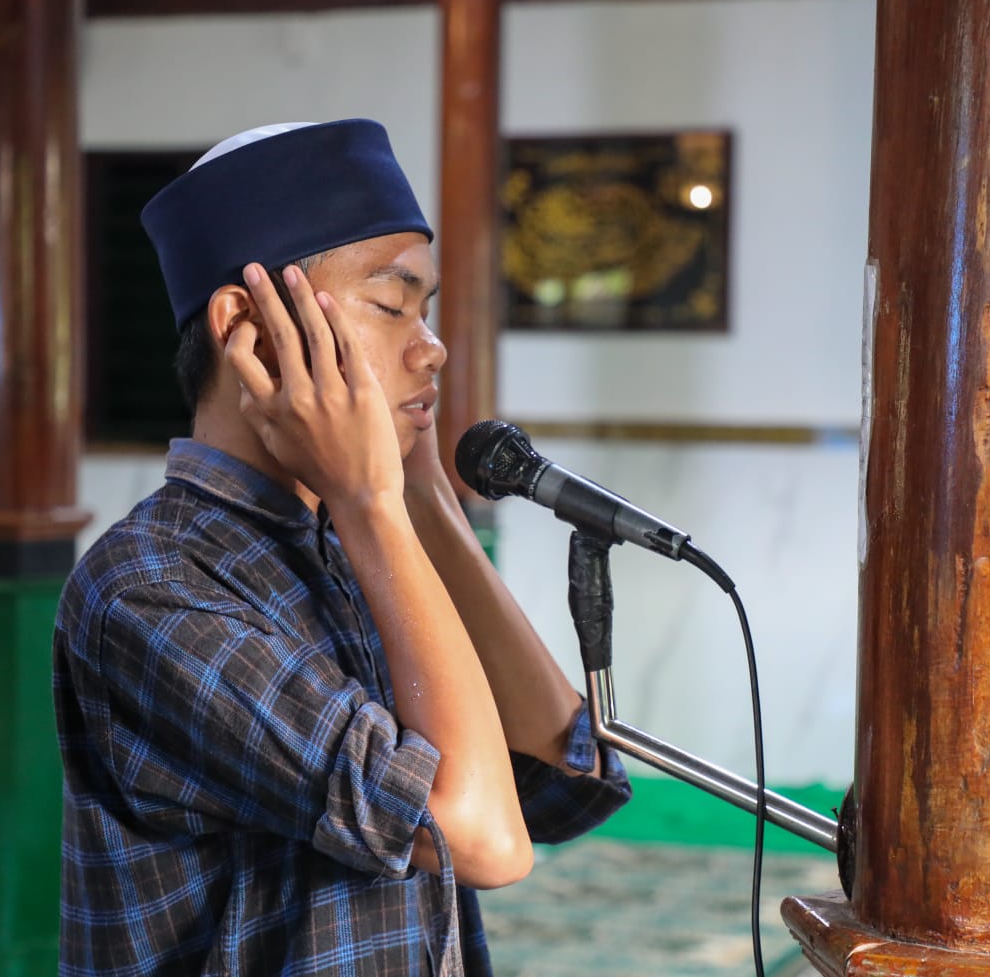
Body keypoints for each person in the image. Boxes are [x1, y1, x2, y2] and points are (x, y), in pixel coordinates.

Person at [53, 119, 631, 977]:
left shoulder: (358, 535)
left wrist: (426, 494)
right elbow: (481, 839)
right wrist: (373, 502)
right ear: (247, 329)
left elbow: (560, 778)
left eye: (425, 310)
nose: (430, 346)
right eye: (391, 303)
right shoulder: (152, 584)